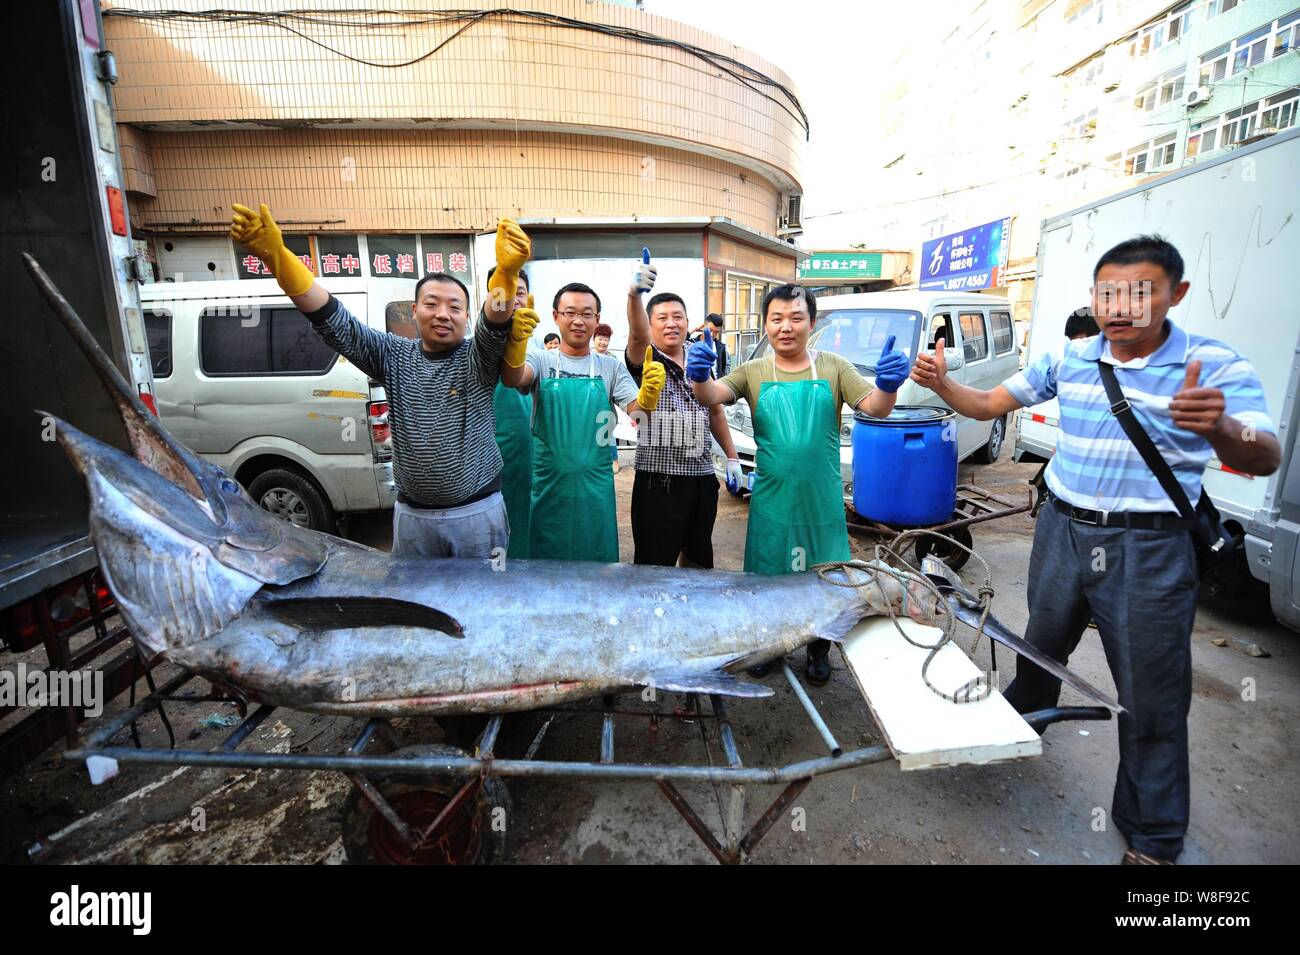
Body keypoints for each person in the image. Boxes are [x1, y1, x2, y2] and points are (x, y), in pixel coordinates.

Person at [909, 235, 1280, 865]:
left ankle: (1153, 836)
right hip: (1061, 529)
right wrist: (943, 384)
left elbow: (1264, 453)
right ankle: (1018, 728)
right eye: (1107, 291)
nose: (1121, 306)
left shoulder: (1214, 366)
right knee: (1039, 645)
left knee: (1151, 693)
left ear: (1176, 295)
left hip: (1149, 547)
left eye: (1141, 292)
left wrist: (1216, 425)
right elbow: (989, 403)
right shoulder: (1071, 357)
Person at [229, 203, 531, 559]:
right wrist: (279, 257)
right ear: (413, 310)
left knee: (483, 603)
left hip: (477, 513)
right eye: (431, 304)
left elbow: (496, 322)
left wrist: (507, 276)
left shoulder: (477, 356)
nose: (443, 314)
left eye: (454, 307)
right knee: (416, 607)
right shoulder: (391, 354)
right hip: (413, 516)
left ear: (467, 316)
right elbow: (333, 320)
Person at [689, 284, 909, 684]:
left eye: (796, 318)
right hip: (773, 499)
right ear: (765, 325)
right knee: (770, 576)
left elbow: (874, 407)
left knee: (824, 576)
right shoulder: (753, 371)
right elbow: (711, 395)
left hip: (821, 499)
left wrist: (889, 386)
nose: (786, 327)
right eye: (776, 319)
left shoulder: (835, 367)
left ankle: (819, 649)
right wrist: (700, 376)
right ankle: (770, 646)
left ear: (811, 323)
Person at [500, 282, 665, 562]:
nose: (578, 321)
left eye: (587, 314)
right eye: (570, 313)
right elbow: (513, 377)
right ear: (555, 316)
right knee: (547, 569)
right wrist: (515, 342)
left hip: (595, 488)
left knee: (597, 566)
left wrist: (648, 395)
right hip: (549, 486)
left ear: (596, 319)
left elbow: (639, 415)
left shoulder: (610, 366)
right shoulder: (539, 359)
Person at [625, 249, 744, 568]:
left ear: (688, 321)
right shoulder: (645, 355)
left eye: (677, 316)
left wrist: (732, 457)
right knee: (654, 564)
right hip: (657, 480)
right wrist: (634, 294)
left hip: (701, 477)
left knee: (698, 560)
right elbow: (636, 334)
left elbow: (715, 411)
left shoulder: (699, 354)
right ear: (650, 325)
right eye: (661, 318)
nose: (671, 323)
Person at [486, 265, 535, 559]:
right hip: (490, 462)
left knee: (527, 530)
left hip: (531, 462)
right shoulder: (478, 349)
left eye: (521, 293)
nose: (515, 299)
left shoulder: (541, 353)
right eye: (505, 292)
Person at [688, 313, 729, 377]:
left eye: (716, 332)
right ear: (703, 327)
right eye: (710, 330)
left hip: (716, 385)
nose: (712, 334)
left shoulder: (721, 348)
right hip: (697, 384)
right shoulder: (692, 344)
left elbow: (724, 370)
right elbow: (679, 340)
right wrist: (694, 329)